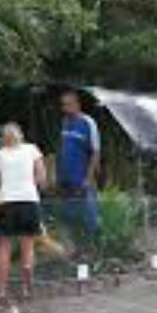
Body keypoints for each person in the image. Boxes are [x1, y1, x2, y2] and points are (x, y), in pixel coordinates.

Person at [0, 122, 46, 299]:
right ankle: (27, 288)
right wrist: (31, 187)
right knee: (27, 246)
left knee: (4, 247)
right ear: (20, 135)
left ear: (4, 138)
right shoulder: (32, 149)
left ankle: (1, 290)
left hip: (7, 202)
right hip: (29, 200)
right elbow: (41, 176)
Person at [57, 87, 101, 253]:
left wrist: (88, 178)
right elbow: (64, 149)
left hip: (83, 179)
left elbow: (96, 152)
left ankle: (94, 251)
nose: (64, 108)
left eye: (67, 105)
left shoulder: (88, 123)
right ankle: (77, 250)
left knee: (90, 216)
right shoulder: (65, 122)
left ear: (77, 105)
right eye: (62, 105)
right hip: (66, 179)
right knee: (70, 216)